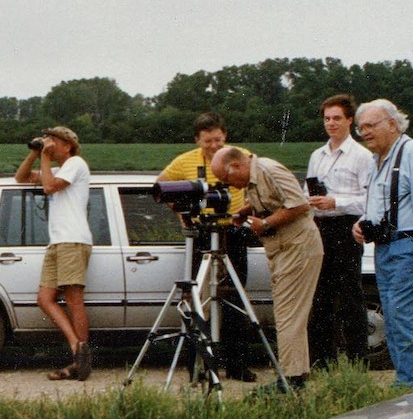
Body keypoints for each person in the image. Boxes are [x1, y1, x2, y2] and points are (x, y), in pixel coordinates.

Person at [353, 99, 413, 387]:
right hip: (387, 247)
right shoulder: (377, 162)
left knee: (404, 319)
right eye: (361, 128)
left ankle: (412, 385)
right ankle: (409, 382)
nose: (365, 133)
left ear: (393, 125)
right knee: (396, 320)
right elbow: (383, 205)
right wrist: (362, 223)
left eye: (371, 125)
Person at [211, 146, 322, 390]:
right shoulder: (252, 177)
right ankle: (297, 374)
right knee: (289, 313)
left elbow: (300, 205)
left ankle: (291, 379)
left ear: (237, 166)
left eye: (226, 179)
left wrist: (266, 223)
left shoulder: (269, 170)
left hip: (297, 245)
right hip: (281, 248)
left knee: (287, 314)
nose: (228, 185)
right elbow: (273, 200)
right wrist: (246, 211)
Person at [158, 112, 256, 381]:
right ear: (197, 140)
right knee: (197, 299)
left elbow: (258, 182)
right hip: (200, 233)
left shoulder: (241, 154)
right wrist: (181, 211)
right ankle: (198, 365)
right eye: (207, 141)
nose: (213, 145)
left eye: (217, 139)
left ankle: (238, 364)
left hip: (232, 230)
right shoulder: (185, 160)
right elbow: (161, 185)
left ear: (225, 136)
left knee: (234, 296)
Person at [15, 126, 93, 381]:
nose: (48, 143)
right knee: (44, 298)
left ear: (67, 145)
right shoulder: (58, 169)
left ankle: (79, 362)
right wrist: (34, 154)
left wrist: (45, 158)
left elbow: (48, 188)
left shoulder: (76, 163)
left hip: (73, 240)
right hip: (58, 242)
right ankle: (77, 346)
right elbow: (21, 178)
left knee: (73, 300)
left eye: (53, 141)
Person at [305, 94, 375, 367]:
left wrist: (337, 202)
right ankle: (322, 360)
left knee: (349, 297)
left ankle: (359, 361)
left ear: (349, 121)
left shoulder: (362, 157)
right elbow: (307, 189)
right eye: (327, 119)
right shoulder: (317, 156)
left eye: (337, 118)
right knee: (320, 296)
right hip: (319, 227)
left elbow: (371, 200)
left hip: (346, 228)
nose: (331, 124)